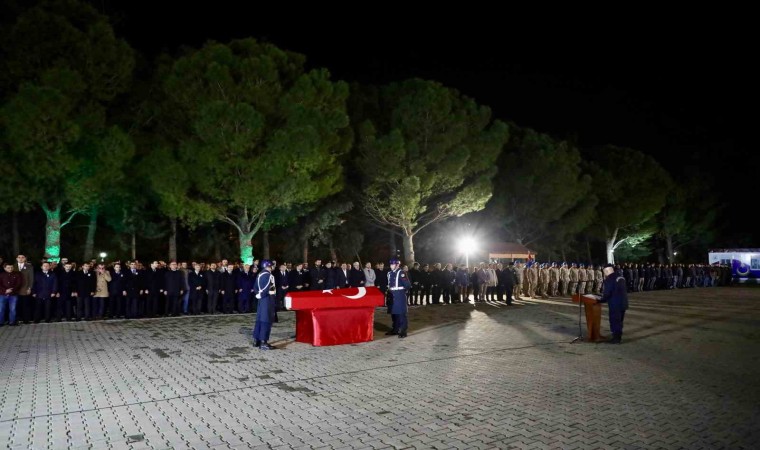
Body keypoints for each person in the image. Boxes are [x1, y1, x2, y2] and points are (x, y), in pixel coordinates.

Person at [596, 263, 629, 344]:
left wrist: (600, 300)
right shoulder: (621, 277)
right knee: (620, 321)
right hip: (623, 303)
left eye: (604, 271)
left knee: (614, 321)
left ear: (607, 271)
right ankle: (618, 336)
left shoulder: (609, 279)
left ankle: (616, 339)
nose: (604, 273)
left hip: (615, 304)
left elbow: (607, 293)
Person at [253, 260, 276, 350]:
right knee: (266, 320)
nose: (272, 267)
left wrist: (257, 294)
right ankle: (263, 342)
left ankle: (256, 340)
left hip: (261, 300)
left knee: (259, 319)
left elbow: (255, 287)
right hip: (267, 299)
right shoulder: (269, 275)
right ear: (269, 266)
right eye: (271, 266)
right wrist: (262, 294)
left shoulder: (259, 274)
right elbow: (267, 287)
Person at [386, 258, 411, 338]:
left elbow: (407, 285)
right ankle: (395, 329)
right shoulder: (389, 273)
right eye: (390, 264)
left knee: (401, 314)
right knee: (394, 314)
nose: (391, 266)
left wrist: (402, 292)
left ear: (397, 265)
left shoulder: (401, 273)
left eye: (392, 264)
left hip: (399, 295)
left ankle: (403, 331)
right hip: (391, 295)